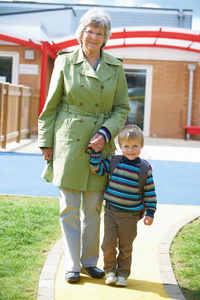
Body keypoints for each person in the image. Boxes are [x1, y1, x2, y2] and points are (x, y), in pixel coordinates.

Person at [38, 8, 130, 284]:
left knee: (93, 207)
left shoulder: (116, 66)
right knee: (69, 207)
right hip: (69, 140)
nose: (93, 36)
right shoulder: (65, 62)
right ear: (81, 33)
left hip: (100, 146)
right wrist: (45, 141)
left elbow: (121, 107)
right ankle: (71, 264)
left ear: (105, 37)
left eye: (99, 33)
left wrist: (106, 132)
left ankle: (90, 262)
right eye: (89, 31)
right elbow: (51, 105)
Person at [89, 124, 157, 287]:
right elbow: (97, 169)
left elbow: (150, 191)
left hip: (130, 216)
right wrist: (96, 152)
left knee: (126, 247)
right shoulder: (114, 162)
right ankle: (110, 271)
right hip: (111, 212)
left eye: (135, 146)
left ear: (141, 146)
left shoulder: (144, 168)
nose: (131, 150)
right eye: (126, 146)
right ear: (120, 147)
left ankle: (123, 274)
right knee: (109, 244)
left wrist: (150, 212)